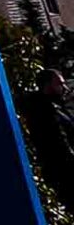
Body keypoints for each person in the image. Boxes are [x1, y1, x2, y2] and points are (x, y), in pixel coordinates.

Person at [28, 68, 74, 207]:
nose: (65, 88)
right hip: (65, 173)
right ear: (48, 85)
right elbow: (60, 143)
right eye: (60, 83)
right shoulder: (45, 110)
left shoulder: (57, 108)